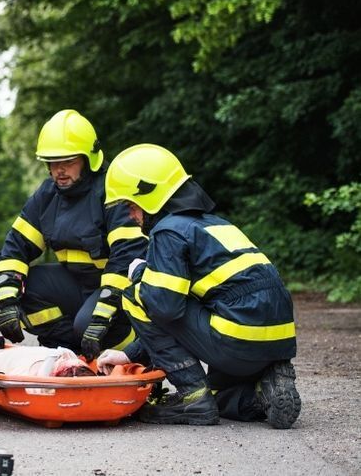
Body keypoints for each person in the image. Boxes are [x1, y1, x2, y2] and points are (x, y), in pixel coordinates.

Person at [97, 143, 300, 428]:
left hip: (236, 337)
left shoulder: (168, 231)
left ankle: (193, 399)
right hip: (276, 339)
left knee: (136, 293)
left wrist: (142, 273)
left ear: (150, 196)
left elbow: (163, 309)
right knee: (220, 396)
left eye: (131, 206)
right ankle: (263, 389)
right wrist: (127, 354)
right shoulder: (215, 225)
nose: (131, 216)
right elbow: (179, 311)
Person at [0, 109, 147, 360]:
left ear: (89, 160)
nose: (59, 170)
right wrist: (8, 303)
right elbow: (15, 248)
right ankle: (72, 351)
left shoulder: (112, 191)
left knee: (88, 324)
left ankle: (136, 350)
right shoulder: (47, 196)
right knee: (26, 289)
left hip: (119, 292)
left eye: (68, 161)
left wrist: (101, 315)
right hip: (77, 285)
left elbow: (126, 259)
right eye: (53, 163)